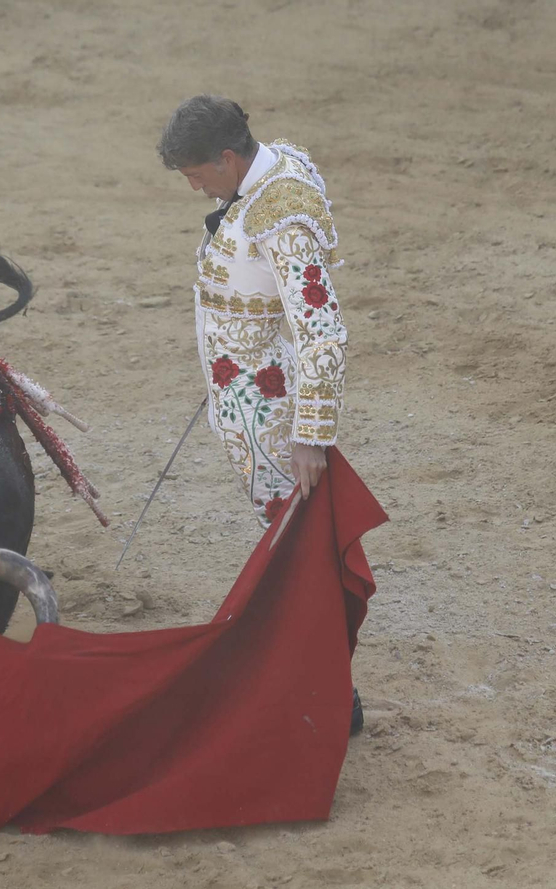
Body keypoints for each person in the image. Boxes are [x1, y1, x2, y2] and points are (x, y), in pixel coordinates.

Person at [158, 94, 361, 734]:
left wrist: (310, 436)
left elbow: (322, 333)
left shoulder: (284, 216)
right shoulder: (276, 169)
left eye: (197, 175)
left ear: (227, 156)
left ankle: (329, 696)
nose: (195, 188)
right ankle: (319, 685)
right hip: (248, 389)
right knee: (289, 547)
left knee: (296, 554)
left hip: (270, 415)